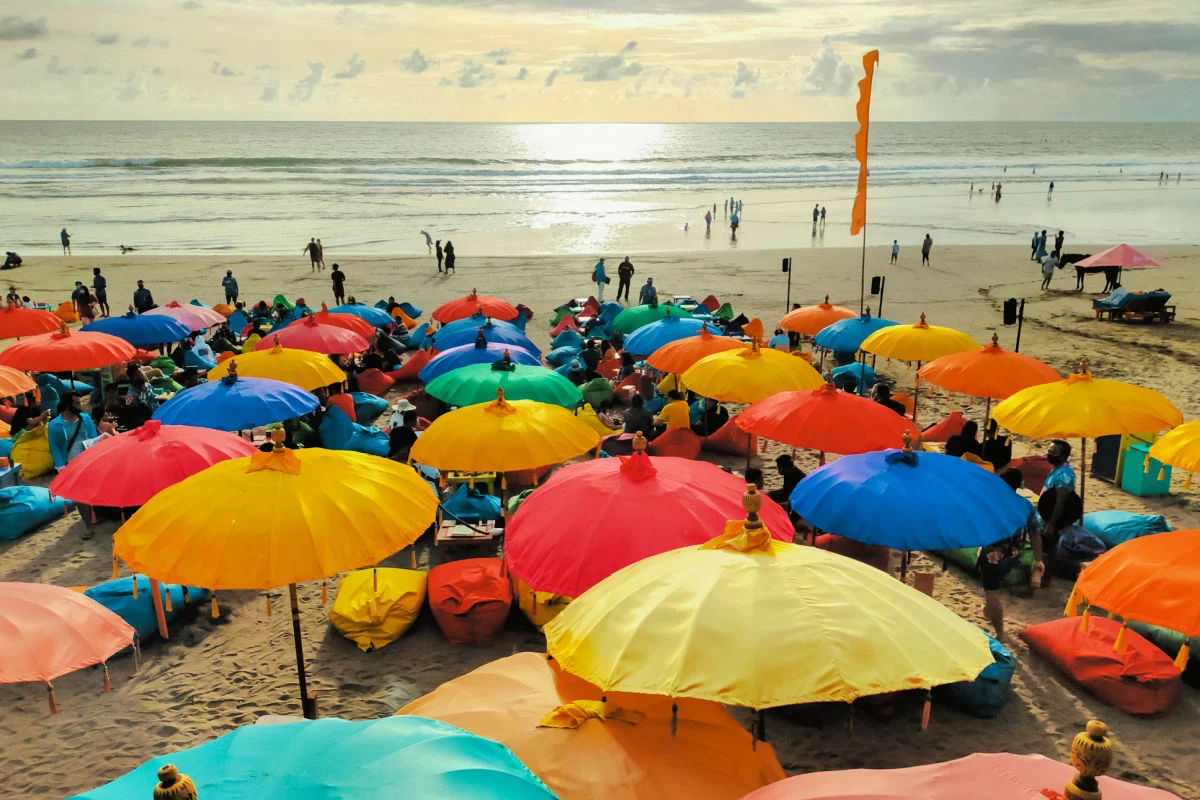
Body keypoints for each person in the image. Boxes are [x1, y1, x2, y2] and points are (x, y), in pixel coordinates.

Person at [978, 466, 1039, 641]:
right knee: (992, 588)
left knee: (992, 592)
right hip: (1013, 555)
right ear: (1020, 484)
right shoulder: (1026, 505)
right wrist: (1038, 559)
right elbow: (1035, 533)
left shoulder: (991, 503)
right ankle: (988, 610)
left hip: (992, 557)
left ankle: (1000, 633)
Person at [48, 393, 99, 538]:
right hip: (70, 464)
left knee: (92, 493)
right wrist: (59, 466)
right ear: (67, 405)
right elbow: (55, 447)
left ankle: (95, 516)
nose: (80, 406)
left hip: (88, 461)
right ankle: (89, 526)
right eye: (76, 403)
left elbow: (93, 439)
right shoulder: (55, 425)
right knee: (80, 496)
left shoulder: (86, 419)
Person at [1035, 439, 1077, 587]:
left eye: (1053, 453)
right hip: (1044, 516)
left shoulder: (1065, 475)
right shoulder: (1057, 469)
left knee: (1047, 549)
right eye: (1049, 451)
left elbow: (1061, 501)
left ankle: (1044, 580)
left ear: (1063, 456)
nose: (1049, 455)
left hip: (1051, 519)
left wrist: (1051, 524)